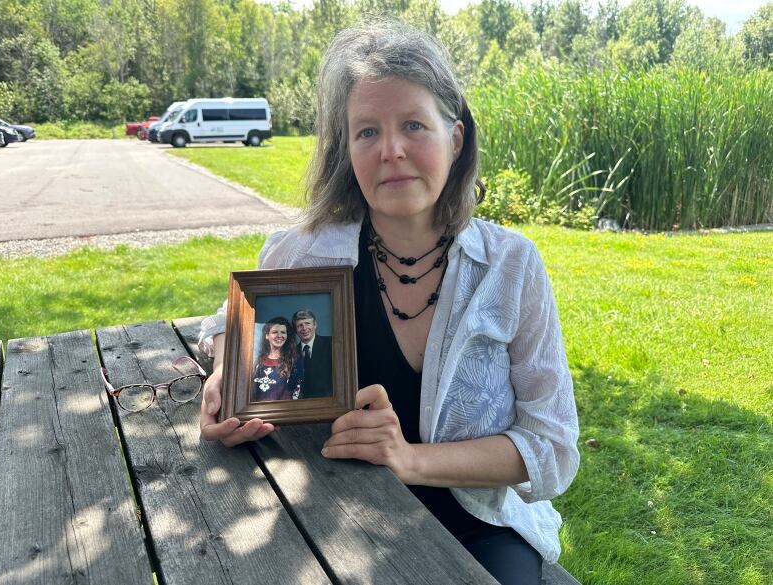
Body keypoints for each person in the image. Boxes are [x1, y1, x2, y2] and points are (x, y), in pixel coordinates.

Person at [198, 19, 579, 585]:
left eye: (413, 125)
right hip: (331, 508)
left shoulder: (510, 265)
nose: (392, 150)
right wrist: (228, 375)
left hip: (478, 523)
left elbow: (551, 448)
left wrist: (409, 459)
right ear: (346, 151)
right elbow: (224, 322)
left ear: (455, 137)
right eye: (367, 132)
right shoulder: (306, 253)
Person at [250, 316, 303, 401]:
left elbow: (297, 392)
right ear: (267, 336)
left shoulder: (294, 361)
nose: (279, 336)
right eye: (275, 332)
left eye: (283, 332)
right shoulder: (257, 360)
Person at [292, 309, 333, 397]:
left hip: (329, 402)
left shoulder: (331, 343)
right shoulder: (292, 352)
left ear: (315, 325)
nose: (304, 328)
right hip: (302, 404)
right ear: (295, 330)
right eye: (300, 325)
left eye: (307, 323)